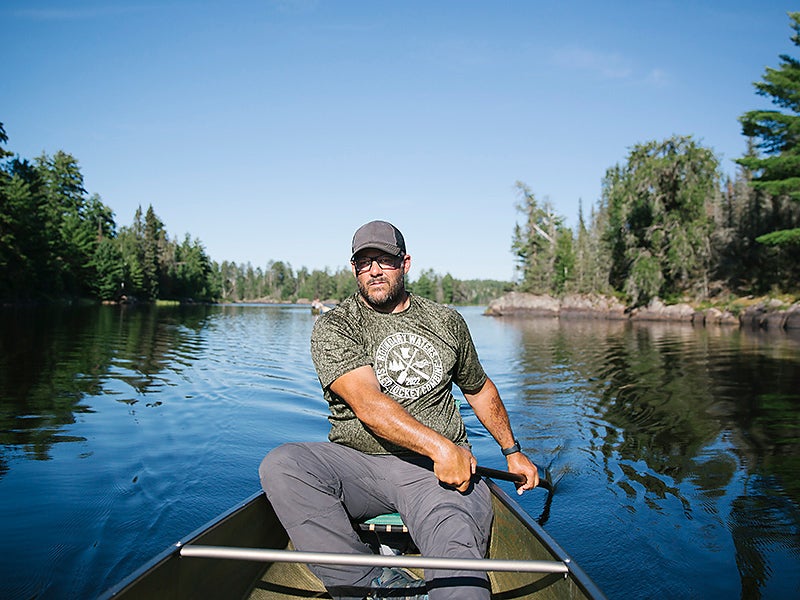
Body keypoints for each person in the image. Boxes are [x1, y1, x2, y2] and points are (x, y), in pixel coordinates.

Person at [260, 220, 540, 600]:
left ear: (404, 263)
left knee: (458, 570)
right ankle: (367, 585)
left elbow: (479, 387)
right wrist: (441, 447)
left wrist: (512, 452)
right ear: (354, 269)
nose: (374, 270)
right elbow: (368, 404)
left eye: (384, 260)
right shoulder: (337, 325)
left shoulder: (446, 321)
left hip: (435, 474)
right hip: (358, 464)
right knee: (283, 464)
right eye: (364, 262)